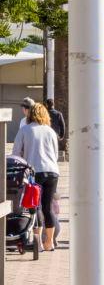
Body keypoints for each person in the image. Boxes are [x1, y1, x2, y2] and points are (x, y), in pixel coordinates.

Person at [12, 103, 60, 251]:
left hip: (34, 172)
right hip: (52, 172)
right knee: (48, 207)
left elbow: (15, 153)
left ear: (30, 114)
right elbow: (56, 154)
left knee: (35, 206)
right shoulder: (51, 131)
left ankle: (37, 243)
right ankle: (49, 242)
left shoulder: (24, 130)